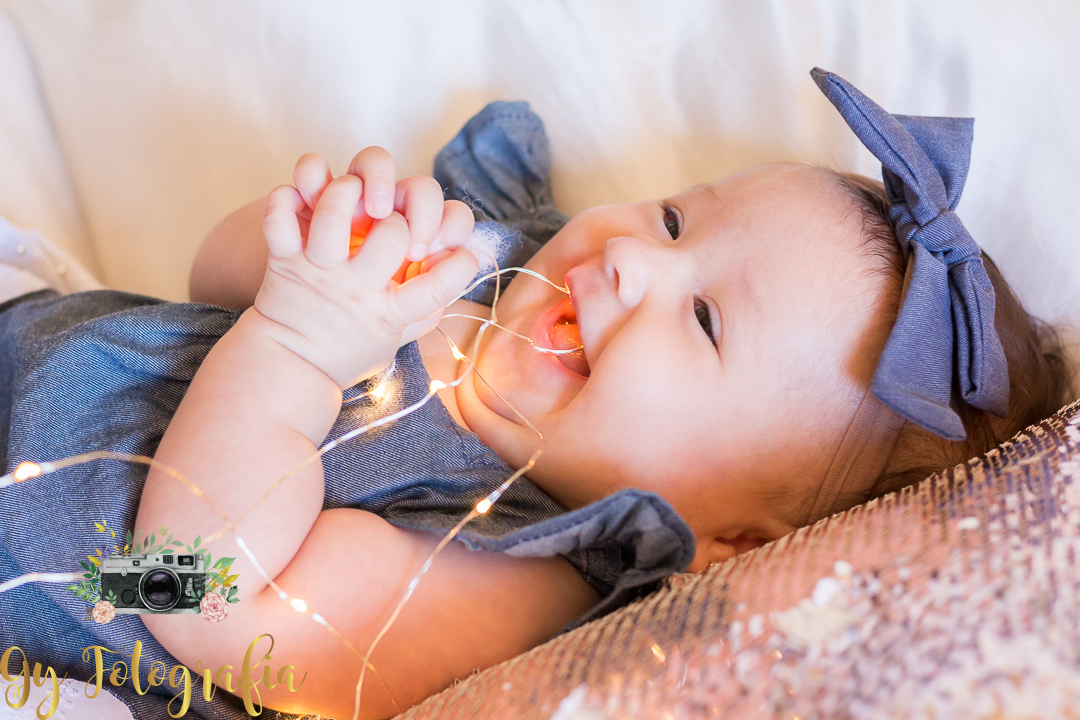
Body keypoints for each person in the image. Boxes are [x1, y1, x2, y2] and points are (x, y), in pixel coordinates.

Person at [0, 70, 1071, 720]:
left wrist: (298, 342)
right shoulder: (482, 264)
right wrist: (313, 249)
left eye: (705, 321)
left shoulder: (518, 573)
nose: (635, 262)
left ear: (730, 541)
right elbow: (207, 282)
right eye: (674, 219)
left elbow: (190, 600)